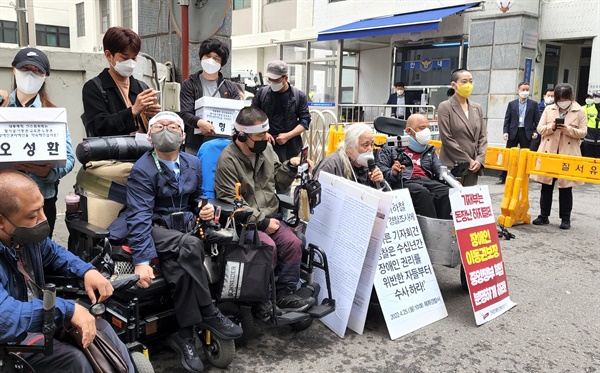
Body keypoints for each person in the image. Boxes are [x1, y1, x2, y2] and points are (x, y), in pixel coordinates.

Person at [107, 111, 242, 373]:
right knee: (191, 246)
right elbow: (139, 217)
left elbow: (198, 198)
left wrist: (203, 208)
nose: (165, 129)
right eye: (159, 126)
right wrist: (142, 260)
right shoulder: (142, 170)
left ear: (183, 136)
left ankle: (186, 334)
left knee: (179, 271)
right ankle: (209, 312)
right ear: (150, 136)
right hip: (153, 227)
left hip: (181, 230)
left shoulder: (192, 162)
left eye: (172, 126)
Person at [0, 170, 134, 373]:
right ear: (1, 222)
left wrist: (87, 271)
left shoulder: (25, 237)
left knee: (102, 331)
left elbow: (54, 253)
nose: (43, 219)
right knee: (73, 360)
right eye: (32, 215)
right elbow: (6, 319)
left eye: (42, 209)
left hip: (41, 322)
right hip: (12, 339)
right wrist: (67, 310)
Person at [214, 107, 316, 312]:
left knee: (293, 243)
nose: (266, 137)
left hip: (271, 216)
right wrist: (262, 222)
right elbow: (232, 201)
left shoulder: (265, 149)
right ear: (242, 135)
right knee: (268, 248)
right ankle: (262, 299)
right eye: (260, 135)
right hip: (245, 223)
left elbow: (278, 179)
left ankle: (285, 293)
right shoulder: (227, 160)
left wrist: (292, 166)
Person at [0, 47, 74, 237]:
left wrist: (48, 172)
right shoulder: (2, 105)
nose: (30, 75)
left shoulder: (52, 113)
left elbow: (69, 158)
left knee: (40, 253)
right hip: (4, 198)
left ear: (45, 76)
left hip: (40, 198)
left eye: (37, 71)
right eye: (25, 69)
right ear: (14, 70)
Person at [82, 26, 161, 136]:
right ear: (109, 55)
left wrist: (155, 117)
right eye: (125, 58)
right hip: (114, 152)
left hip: (143, 151)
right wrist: (132, 111)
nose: (131, 63)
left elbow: (152, 131)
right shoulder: (94, 87)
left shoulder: (142, 87)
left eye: (134, 58)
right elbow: (98, 127)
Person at [531, 83, 587, 230]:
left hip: (567, 154)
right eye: (559, 99)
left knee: (566, 188)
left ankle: (565, 218)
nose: (562, 101)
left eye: (565, 98)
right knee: (546, 186)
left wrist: (568, 129)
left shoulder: (579, 110)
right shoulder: (549, 109)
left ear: (570, 97)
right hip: (549, 152)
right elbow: (540, 128)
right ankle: (544, 215)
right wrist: (552, 127)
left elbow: (583, 132)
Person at [376, 114, 452, 220]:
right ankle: (429, 229)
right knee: (423, 194)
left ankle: (445, 226)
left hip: (426, 180)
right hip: (405, 180)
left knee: (447, 192)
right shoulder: (391, 146)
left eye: (427, 128)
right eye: (422, 128)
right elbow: (381, 168)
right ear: (409, 131)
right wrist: (393, 172)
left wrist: (452, 180)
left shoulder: (429, 149)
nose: (426, 131)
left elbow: (439, 167)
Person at [179, 38, 240, 156]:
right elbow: (185, 113)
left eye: (216, 58)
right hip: (196, 145)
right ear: (201, 58)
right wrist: (199, 123)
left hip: (224, 145)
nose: (211, 60)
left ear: (221, 65)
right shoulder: (190, 84)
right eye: (207, 56)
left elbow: (238, 115)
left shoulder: (230, 87)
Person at [251, 60, 311, 163]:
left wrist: (288, 136)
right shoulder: (262, 93)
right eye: (269, 79)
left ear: (285, 78)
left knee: (287, 174)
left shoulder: (298, 96)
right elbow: (252, 115)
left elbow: (305, 121)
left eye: (276, 80)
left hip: (290, 147)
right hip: (265, 145)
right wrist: (264, 133)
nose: (272, 82)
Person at [437, 69, 488, 186]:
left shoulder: (477, 107)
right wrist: (467, 160)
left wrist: (479, 160)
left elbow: (483, 137)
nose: (468, 85)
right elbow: (446, 138)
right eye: (464, 82)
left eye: (471, 81)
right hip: (453, 164)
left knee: (469, 200)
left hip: (473, 166)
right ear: (454, 85)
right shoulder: (445, 107)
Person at [312, 123, 384, 188]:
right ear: (350, 148)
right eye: (366, 145)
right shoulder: (331, 164)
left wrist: (381, 182)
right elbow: (316, 192)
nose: (370, 149)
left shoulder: (370, 166)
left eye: (372, 144)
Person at [498, 81, 541, 184]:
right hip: (513, 132)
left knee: (525, 156)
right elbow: (507, 119)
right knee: (508, 155)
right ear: (518, 91)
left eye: (527, 90)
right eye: (523, 90)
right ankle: (503, 177)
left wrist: (536, 131)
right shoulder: (512, 104)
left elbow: (537, 120)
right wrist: (505, 132)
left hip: (526, 133)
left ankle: (524, 177)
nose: (525, 92)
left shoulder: (533, 104)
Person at [581, 92, 600, 158]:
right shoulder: (588, 108)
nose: (596, 99)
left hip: (598, 138)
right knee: (587, 158)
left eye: (598, 97)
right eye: (595, 97)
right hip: (589, 138)